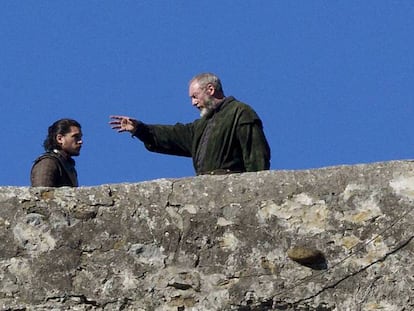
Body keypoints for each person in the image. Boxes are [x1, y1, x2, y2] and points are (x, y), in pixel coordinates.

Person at [109, 72, 271, 175]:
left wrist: (255, 192)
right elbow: (173, 136)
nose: (193, 103)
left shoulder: (240, 112)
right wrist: (139, 129)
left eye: (195, 96)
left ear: (210, 89)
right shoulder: (201, 126)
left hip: (233, 189)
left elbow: (256, 156)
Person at [31, 118, 83, 187]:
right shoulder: (48, 162)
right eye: (75, 137)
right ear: (60, 139)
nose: (80, 141)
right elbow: (41, 193)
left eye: (80, 137)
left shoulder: (68, 167)